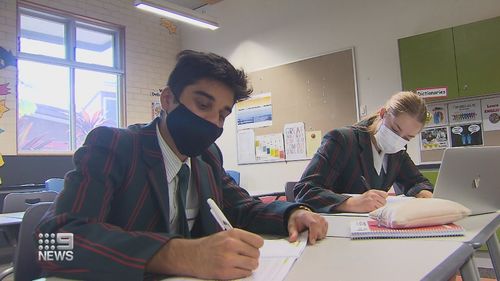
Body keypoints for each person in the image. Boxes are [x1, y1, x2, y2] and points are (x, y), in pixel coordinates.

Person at [36, 50, 328, 281]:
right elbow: (52, 244)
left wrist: (291, 213)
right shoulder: (114, 146)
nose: (213, 122)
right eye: (203, 105)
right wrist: (177, 254)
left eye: (222, 115)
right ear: (168, 99)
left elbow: (240, 208)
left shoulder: (207, 156)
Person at [294, 91, 433, 213]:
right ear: (383, 113)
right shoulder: (342, 140)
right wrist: (350, 202)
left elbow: (417, 182)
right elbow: (305, 190)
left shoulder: (397, 152)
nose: (397, 140)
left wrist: (423, 192)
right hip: (334, 228)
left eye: (407, 138)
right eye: (395, 130)